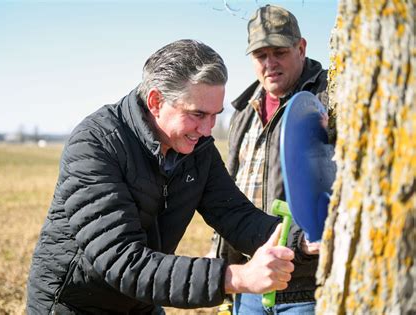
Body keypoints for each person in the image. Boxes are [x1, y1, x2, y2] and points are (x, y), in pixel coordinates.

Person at [25, 39, 322, 314]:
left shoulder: (197, 149)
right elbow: (123, 261)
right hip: (75, 304)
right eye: (197, 114)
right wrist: (236, 277)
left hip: (141, 301)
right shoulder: (95, 145)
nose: (208, 130)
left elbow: (235, 215)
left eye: (215, 115)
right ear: (155, 101)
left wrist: (303, 240)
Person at [209, 4, 330, 315]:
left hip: (307, 288)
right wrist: (222, 269)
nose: (269, 63)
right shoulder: (242, 112)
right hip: (250, 285)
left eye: (279, 52)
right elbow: (229, 193)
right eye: (261, 55)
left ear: (301, 48)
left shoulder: (328, 102)